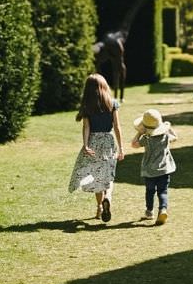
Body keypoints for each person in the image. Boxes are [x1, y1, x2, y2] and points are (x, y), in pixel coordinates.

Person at [68, 73, 124, 222]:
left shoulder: (87, 106)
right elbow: (117, 127)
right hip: (108, 141)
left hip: (93, 141)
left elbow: (86, 126)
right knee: (108, 174)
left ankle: (99, 207)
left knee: (97, 175)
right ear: (104, 86)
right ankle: (108, 197)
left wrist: (86, 145)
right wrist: (121, 148)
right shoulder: (112, 103)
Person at [131, 109, 177, 225]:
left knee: (150, 191)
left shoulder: (146, 139)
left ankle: (149, 211)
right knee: (163, 191)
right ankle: (163, 209)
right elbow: (175, 137)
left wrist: (140, 132)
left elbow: (134, 144)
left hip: (149, 171)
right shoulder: (166, 137)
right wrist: (169, 127)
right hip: (164, 169)